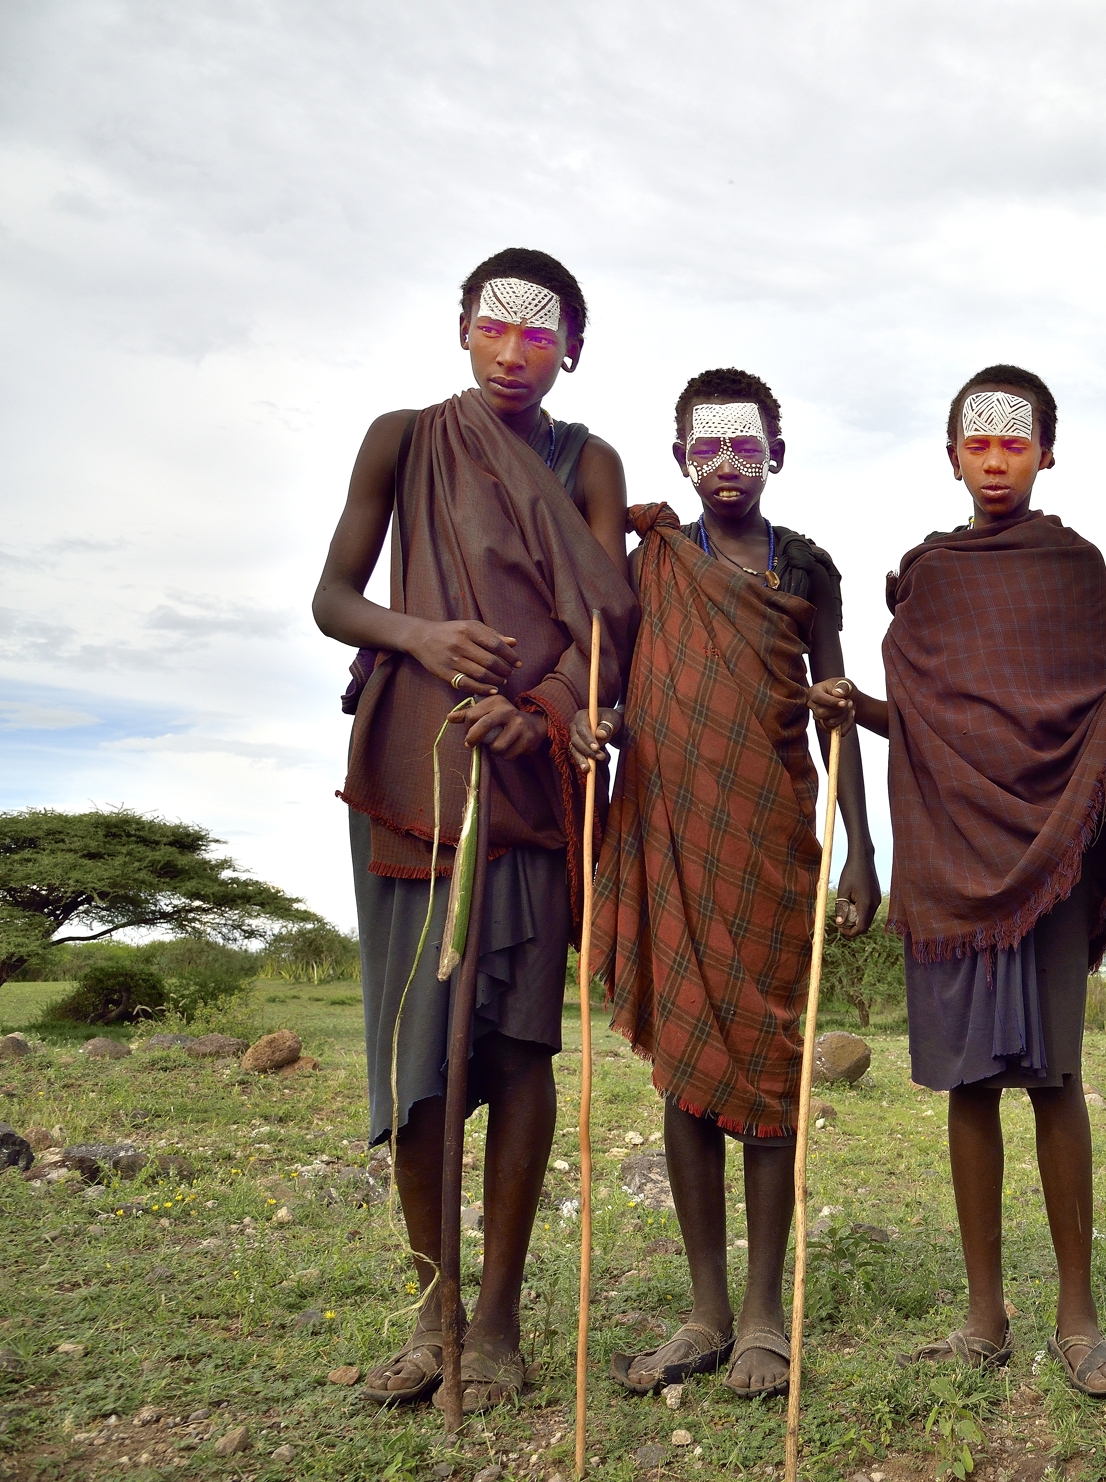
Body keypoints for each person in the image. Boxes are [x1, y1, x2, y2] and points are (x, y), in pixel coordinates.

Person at [809, 364, 1106, 1398]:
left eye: (1015, 441)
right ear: (951, 456)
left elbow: (1091, 711)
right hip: (948, 853)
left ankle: (1078, 1316)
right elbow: (928, 721)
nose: (996, 460)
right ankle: (984, 1316)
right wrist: (853, 707)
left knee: (1053, 1078)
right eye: (978, 443)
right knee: (968, 1084)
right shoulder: (931, 576)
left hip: (1048, 854)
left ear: (1047, 452)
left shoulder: (1074, 569)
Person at [312, 247, 638, 1412]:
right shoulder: (403, 440)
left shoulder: (589, 463)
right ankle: (432, 1317)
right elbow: (333, 598)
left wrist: (539, 705)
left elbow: (609, 623)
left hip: (532, 777)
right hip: (418, 769)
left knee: (517, 1046)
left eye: (538, 335)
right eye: (494, 329)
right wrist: (421, 636)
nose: (512, 354)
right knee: (419, 1057)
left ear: (571, 351)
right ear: (461, 329)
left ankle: (496, 1321)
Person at [572, 368, 881, 1400]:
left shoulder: (809, 569)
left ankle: (761, 1314)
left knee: (768, 1066)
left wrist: (863, 848)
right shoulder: (651, 562)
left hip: (768, 839)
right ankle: (704, 1311)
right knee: (686, 1066)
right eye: (707, 448)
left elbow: (836, 713)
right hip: (669, 831)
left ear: (776, 455)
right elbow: (618, 684)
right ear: (680, 459)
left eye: (746, 446)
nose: (726, 465)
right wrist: (595, 723)